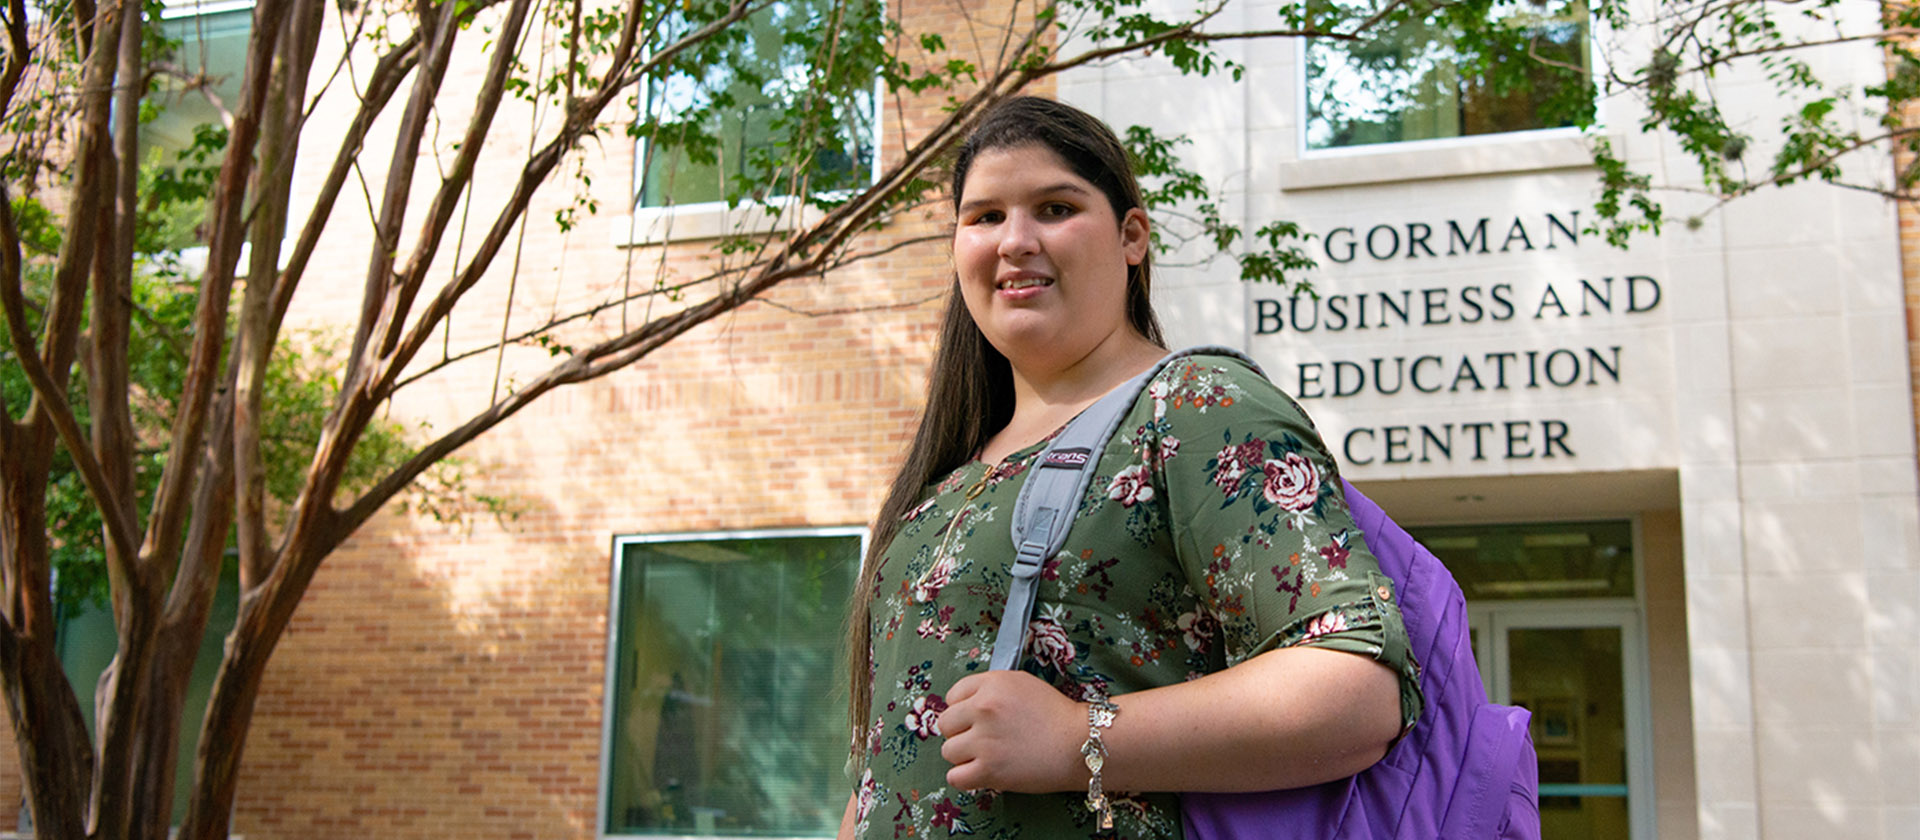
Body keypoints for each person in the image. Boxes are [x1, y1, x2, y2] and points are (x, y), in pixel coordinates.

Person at [838, 96, 1423, 840]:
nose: (1014, 240)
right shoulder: (946, 479)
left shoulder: (1195, 405)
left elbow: (1358, 690)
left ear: (1132, 236)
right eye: (984, 217)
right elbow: (881, 767)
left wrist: (1076, 735)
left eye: (1054, 207)